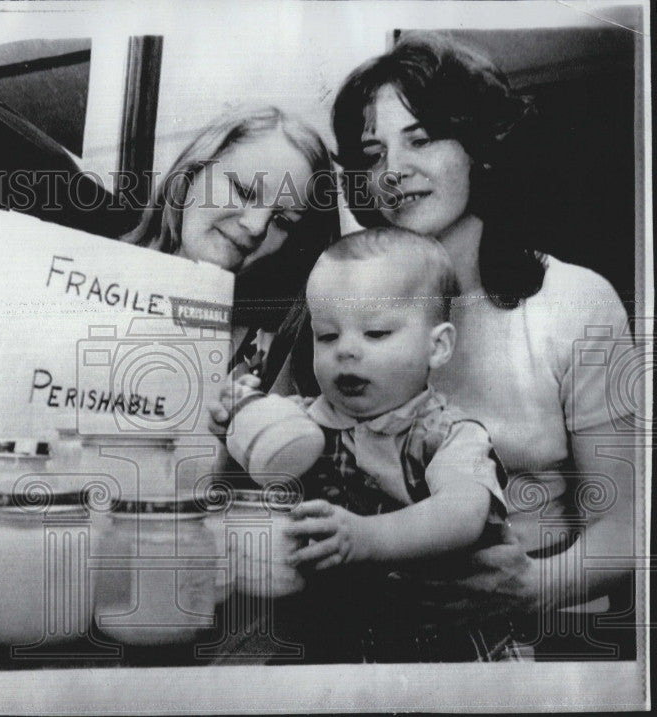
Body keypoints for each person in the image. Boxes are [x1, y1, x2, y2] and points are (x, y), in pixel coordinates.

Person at [227, 33, 636, 660]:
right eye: (373, 152)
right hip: (361, 635)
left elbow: (629, 524)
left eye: (421, 139)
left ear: (482, 147)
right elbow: (278, 463)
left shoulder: (574, 301)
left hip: (532, 635)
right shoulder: (341, 302)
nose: (393, 170)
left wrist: (536, 589)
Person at [219, 229, 528, 661]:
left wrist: (367, 537)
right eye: (326, 336)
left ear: (437, 347)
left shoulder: (449, 434)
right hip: (338, 642)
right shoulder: (302, 419)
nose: (346, 351)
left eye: (377, 333)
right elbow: (259, 462)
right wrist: (238, 418)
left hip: (447, 647)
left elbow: (463, 513)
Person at [123, 105, 341, 371]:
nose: (256, 227)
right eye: (244, 191)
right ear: (192, 173)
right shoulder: (82, 275)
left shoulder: (272, 354)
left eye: (283, 221)